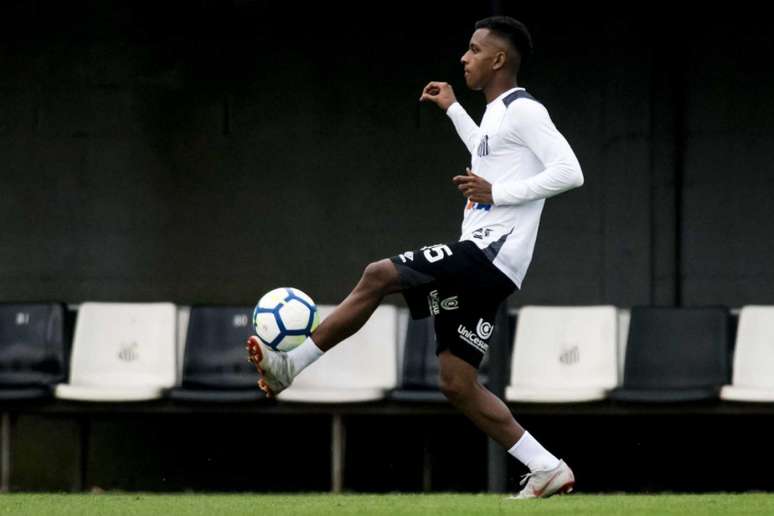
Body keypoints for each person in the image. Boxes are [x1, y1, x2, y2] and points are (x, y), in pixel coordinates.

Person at [247, 15, 583, 499]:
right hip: (490, 266)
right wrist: (452, 110)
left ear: (499, 59)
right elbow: (488, 154)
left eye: (473, 49)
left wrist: (498, 192)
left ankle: (290, 366)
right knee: (457, 383)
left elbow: (570, 172)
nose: (464, 57)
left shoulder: (526, 110)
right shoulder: (494, 115)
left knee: (379, 274)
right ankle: (547, 467)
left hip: (486, 255)